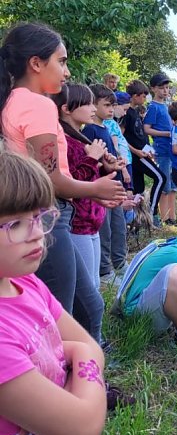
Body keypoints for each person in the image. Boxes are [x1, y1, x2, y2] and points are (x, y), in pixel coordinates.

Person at [0, 151, 141, 435]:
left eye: (40, 216)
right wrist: (83, 365)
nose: (37, 233)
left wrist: (82, 358)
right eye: (14, 224)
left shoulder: (26, 285)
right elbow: (84, 428)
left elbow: (88, 347)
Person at [0, 22, 126, 342]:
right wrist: (94, 189)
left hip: (48, 215)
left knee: (91, 306)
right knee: (60, 319)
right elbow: (49, 179)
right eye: (62, 61)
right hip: (46, 217)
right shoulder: (37, 103)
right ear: (36, 63)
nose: (67, 72)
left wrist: (91, 193)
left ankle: (92, 370)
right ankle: (74, 383)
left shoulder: (15, 100)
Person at [54, 84, 108, 290]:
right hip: (78, 224)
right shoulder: (66, 143)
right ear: (67, 109)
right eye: (88, 104)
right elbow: (72, 182)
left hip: (92, 222)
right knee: (87, 287)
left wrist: (106, 166)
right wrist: (92, 158)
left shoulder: (81, 140)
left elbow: (92, 177)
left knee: (94, 284)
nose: (94, 109)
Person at [83, 85, 129, 282]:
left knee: (119, 227)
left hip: (115, 186)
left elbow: (107, 159)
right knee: (105, 230)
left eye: (113, 106)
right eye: (107, 105)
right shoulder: (91, 130)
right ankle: (104, 271)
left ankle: (120, 264)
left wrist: (117, 164)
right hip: (102, 189)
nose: (111, 109)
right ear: (94, 105)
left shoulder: (106, 128)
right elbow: (93, 160)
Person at [122, 79, 165, 221]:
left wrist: (149, 149)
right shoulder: (126, 113)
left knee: (138, 189)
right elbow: (121, 139)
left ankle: (138, 219)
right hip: (137, 156)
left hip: (143, 153)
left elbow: (139, 135)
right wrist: (136, 152)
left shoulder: (135, 112)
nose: (145, 98)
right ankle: (152, 214)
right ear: (135, 96)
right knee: (160, 178)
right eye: (143, 95)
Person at [144, 72, 177, 225]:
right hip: (162, 151)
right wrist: (165, 133)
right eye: (162, 88)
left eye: (167, 88)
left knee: (172, 186)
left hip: (172, 151)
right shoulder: (153, 108)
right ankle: (164, 218)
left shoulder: (166, 107)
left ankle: (173, 216)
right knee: (164, 186)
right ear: (153, 89)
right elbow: (147, 129)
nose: (165, 91)